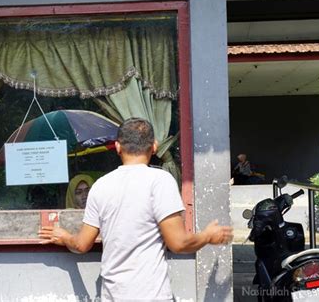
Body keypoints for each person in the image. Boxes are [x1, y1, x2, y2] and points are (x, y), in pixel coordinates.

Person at [39, 118, 233, 301]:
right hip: (151, 295)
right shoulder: (160, 181)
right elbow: (179, 244)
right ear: (154, 146)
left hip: (112, 295)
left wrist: (64, 236)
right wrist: (207, 236)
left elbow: (81, 245)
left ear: (117, 147)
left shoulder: (101, 186)